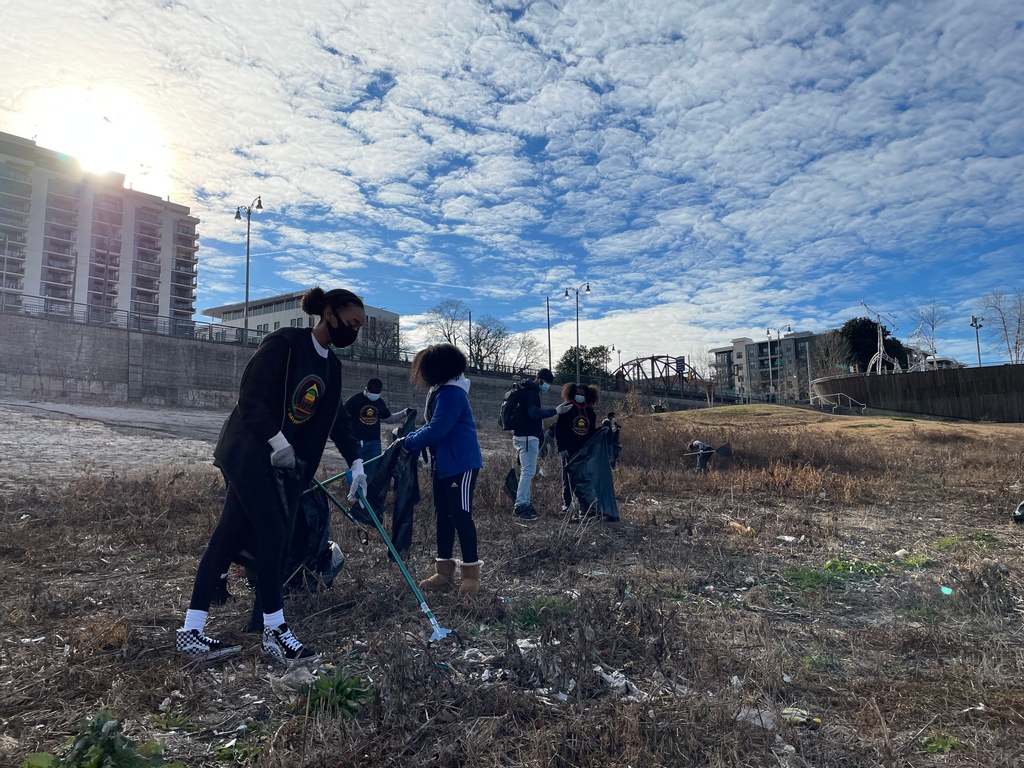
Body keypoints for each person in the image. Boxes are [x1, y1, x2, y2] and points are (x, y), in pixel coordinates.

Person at [176, 287, 368, 664]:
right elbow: (250, 398)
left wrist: (356, 461)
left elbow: (338, 420)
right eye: (352, 322)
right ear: (328, 313)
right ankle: (275, 631)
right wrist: (278, 442)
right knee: (274, 534)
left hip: (281, 465)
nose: (355, 331)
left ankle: (192, 631)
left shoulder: (332, 366)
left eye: (360, 326)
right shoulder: (285, 344)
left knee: (227, 537)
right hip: (248, 453)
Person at [402, 344, 484, 598]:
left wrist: (407, 441)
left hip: (461, 464)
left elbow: (437, 429)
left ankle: (470, 575)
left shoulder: (452, 394)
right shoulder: (440, 392)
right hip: (443, 465)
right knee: (443, 517)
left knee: (461, 516)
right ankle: (444, 572)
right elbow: (432, 427)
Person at [511, 368, 565, 521]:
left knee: (527, 471)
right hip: (527, 437)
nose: (547, 386)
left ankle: (525, 503)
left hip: (522, 436)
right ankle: (520, 505)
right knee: (528, 472)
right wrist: (555, 411)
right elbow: (534, 413)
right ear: (540, 379)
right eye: (547, 382)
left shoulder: (525, 389)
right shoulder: (532, 392)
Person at [555, 383, 599, 515]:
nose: (580, 396)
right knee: (567, 478)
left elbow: (591, 433)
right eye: (577, 394)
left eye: (582, 394)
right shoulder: (567, 409)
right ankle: (567, 504)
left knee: (583, 479)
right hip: (568, 450)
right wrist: (561, 448)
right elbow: (559, 430)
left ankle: (583, 506)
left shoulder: (590, 413)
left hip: (584, 451)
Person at [345, 378, 411, 464]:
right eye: (373, 392)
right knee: (356, 471)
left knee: (373, 471)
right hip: (358, 442)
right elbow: (343, 415)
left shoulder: (379, 403)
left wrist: (404, 413)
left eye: (377, 393)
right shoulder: (355, 400)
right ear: (367, 389)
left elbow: (389, 419)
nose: (375, 395)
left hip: (374, 443)